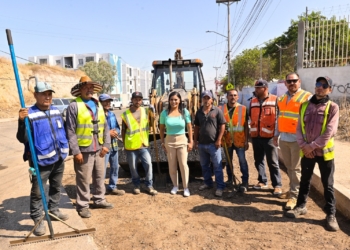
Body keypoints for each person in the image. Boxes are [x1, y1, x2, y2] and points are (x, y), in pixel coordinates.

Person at [286, 76, 340, 232]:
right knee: (305, 180)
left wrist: (311, 147)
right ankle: (300, 206)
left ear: (329, 89)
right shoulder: (304, 106)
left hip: (324, 154)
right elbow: (298, 129)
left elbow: (330, 132)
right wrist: (304, 147)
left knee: (328, 184)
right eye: (318, 84)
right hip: (307, 152)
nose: (320, 87)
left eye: (324, 85)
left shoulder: (333, 107)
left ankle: (331, 214)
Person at [16, 81, 69, 236]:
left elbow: (62, 131)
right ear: (35, 95)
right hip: (40, 161)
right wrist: (21, 122)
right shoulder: (29, 114)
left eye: (49, 94)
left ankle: (53, 211)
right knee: (38, 192)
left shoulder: (55, 111)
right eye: (43, 94)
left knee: (56, 186)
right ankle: (38, 219)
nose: (47, 97)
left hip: (58, 158)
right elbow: (22, 138)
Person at [66, 76, 113, 219]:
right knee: (83, 179)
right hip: (83, 151)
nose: (89, 90)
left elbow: (105, 127)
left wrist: (106, 145)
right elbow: (70, 131)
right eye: (86, 87)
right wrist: (76, 151)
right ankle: (83, 205)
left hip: (99, 149)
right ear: (80, 89)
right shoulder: (74, 106)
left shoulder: (98, 104)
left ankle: (99, 199)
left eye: (91, 87)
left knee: (100, 176)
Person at [273, 73, 312, 210]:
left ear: (299, 81)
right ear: (285, 83)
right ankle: (292, 191)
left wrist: (308, 141)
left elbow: (311, 120)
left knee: (296, 169)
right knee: (289, 168)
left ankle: (295, 197)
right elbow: (280, 117)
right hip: (284, 139)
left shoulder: (307, 97)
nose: (292, 83)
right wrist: (276, 135)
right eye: (289, 81)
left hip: (298, 140)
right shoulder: (282, 98)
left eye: (294, 81)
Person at [121, 91, 158, 195]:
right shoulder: (126, 114)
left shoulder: (146, 111)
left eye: (139, 99)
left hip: (143, 144)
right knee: (133, 167)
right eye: (136, 99)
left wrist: (153, 118)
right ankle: (136, 185)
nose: (138, 101)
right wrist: (124, 144)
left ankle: (148, 185)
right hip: (131, 145)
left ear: (142, 100)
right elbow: (123, 131)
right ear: (132, 100)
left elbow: (151, 124)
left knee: (148, 164)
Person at [249, 79, 282, 195]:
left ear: (265, 88)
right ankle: (262, 181)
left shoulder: (275, 100)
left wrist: (277, 135)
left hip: (269, 137)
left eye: (258, 88)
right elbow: (250, 117)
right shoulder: (252, 101)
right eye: (255, 88)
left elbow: (279, 118)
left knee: (272, 161)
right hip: (256, 136)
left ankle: (277, 185)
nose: (256, 90)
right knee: (258, 160)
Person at [159, 91, 193, 197]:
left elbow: (189, 127)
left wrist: (191, 141)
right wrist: (162, 142)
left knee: (183, 164)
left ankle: (186, 187)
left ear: (179, 101)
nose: (173, 101)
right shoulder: (164, 113)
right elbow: (161, 129)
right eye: (172, 99)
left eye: (176, 99)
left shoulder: (184, 112)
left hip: (182, 140)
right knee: (172, 165)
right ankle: (175, 185)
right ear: (169, 101)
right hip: (169, 141)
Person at [194, 90, 226, 197]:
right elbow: (196, 128)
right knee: (204, 166)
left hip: (214, 144)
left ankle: (220, 187)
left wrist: (219, 140)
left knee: (217, 166)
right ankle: (208, 183)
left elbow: (222, 125)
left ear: (212, 99)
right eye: (204, 98)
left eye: (208, 98)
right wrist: (195, 141)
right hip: (202, 144)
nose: (206, 100)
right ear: (202, 99)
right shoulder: (199, 112)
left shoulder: (217, 111)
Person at [219, 89, 249, 192]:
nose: (233, 97)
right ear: (227, 97)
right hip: (226, 141)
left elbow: (246, 126)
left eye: (235, 95)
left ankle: (245, 182)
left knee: (242, 161)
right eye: (230, 95)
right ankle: (230, 179)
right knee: (228, 162)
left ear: (238, 97)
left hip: (239, 140)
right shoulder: (221, 109)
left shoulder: (243, 109)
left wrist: (246, 141)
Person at [99, 94, 125, 196]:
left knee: (115, 167)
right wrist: (108, 133)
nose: (108, 103)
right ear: (100, 103)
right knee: (102, 169)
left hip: (114, 145)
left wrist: (116, 132)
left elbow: (118, 128)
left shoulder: (112, 114)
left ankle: (112, 187)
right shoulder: (97, 115)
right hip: (103, 147)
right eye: (105, 101)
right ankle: (100, 189)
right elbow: (95, 131)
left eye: (109, 101)